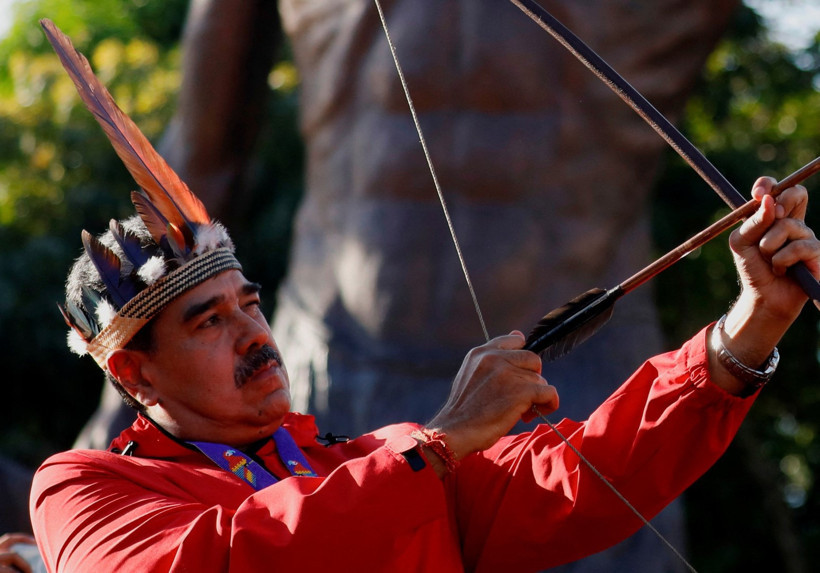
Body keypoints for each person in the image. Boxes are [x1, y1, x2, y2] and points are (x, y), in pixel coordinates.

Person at [31, 19, 820, 573]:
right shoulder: (83, 489)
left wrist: (747, 331)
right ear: (137, 376)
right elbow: (225, 560)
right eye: (209, 319)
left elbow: (584, 474)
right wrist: (439, 441)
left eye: (250, 302)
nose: (253, 332)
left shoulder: (376, 465)